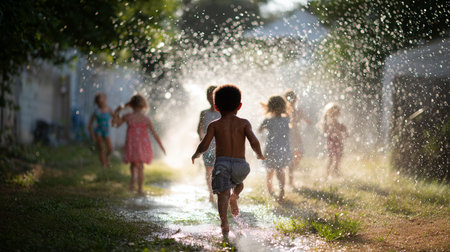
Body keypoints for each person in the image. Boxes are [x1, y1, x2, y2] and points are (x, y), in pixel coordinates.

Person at [191, 84, 265, 238]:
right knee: (239, 183)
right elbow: (254, 141)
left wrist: (197, 153)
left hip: (222, 164)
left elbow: (205, 144)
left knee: (222, 194)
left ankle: (224, 222)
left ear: (216, 106)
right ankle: (235, 195)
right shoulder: (244, 123)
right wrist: (259, 154)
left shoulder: (215, 125)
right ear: (239, 106)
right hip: (240, 165)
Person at [113, 94, 166, 194]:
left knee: (133, 165)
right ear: (143, 106)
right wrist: (162, 147)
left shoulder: (128, 117)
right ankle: (140, 188)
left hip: (132, 145)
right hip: (143, 145)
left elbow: (116, 124)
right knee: (141, 166)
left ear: (131, 105)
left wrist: (117, 111)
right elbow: (155, 134)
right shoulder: (146, 119)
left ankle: (133, 181)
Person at [259, 95, 292, 202]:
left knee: (272, 170)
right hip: (281, 148)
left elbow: (259, 130)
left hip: (272, 149)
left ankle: (274, 190)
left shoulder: (268, 120)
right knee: (279, 170)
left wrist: (264, 126)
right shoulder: (286, 119)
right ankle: (278, 191)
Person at [197, 85, 220, 202]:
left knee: (223, 169)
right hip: (208, 147)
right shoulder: (204, 113)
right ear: (206, 98)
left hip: (221, 147)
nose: (211, 98)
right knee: (208, 170)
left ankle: (222, 192)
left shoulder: (223, 112)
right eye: (209, 96)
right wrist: (202, 141)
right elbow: (199, 129)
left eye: (214, 95)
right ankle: (211, 193)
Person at [284, 90, 311, 187]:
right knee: (292, 155)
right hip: (288, 135)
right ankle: (290, 180)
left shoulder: (297, 110)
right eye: (291, 99)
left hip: (296, 134)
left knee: (299, 153)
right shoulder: (285, 110)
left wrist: (306, 119)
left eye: (294, 99)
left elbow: (305, 118)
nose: (293, 101)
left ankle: (290, 170)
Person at [88, 93, 114, 168]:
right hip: (98, 131)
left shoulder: (109, 109)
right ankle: (103, 165)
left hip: (106, 131)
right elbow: (90, 125)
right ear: (97, 102)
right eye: (100, 100)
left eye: (103, 99)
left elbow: (115, 117)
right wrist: (92, 135)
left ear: (106, 100)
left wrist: (115, 121)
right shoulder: (96, 112)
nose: (102, 101)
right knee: (101, 148)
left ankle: (107, 158)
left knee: (110, 149)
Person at [322, 102, 348, 177]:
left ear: (338, 114)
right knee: (330, 159)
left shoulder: (340, 124)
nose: (334, 116)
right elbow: (325, 130)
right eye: (332, 114)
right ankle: (327, 174)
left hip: (339, 143)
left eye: (336, 114)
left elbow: (345, 132)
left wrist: (345, 132)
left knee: (338, 159)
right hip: (331, 143)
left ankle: (335, 172)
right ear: (329, 114)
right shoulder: (328, 124)